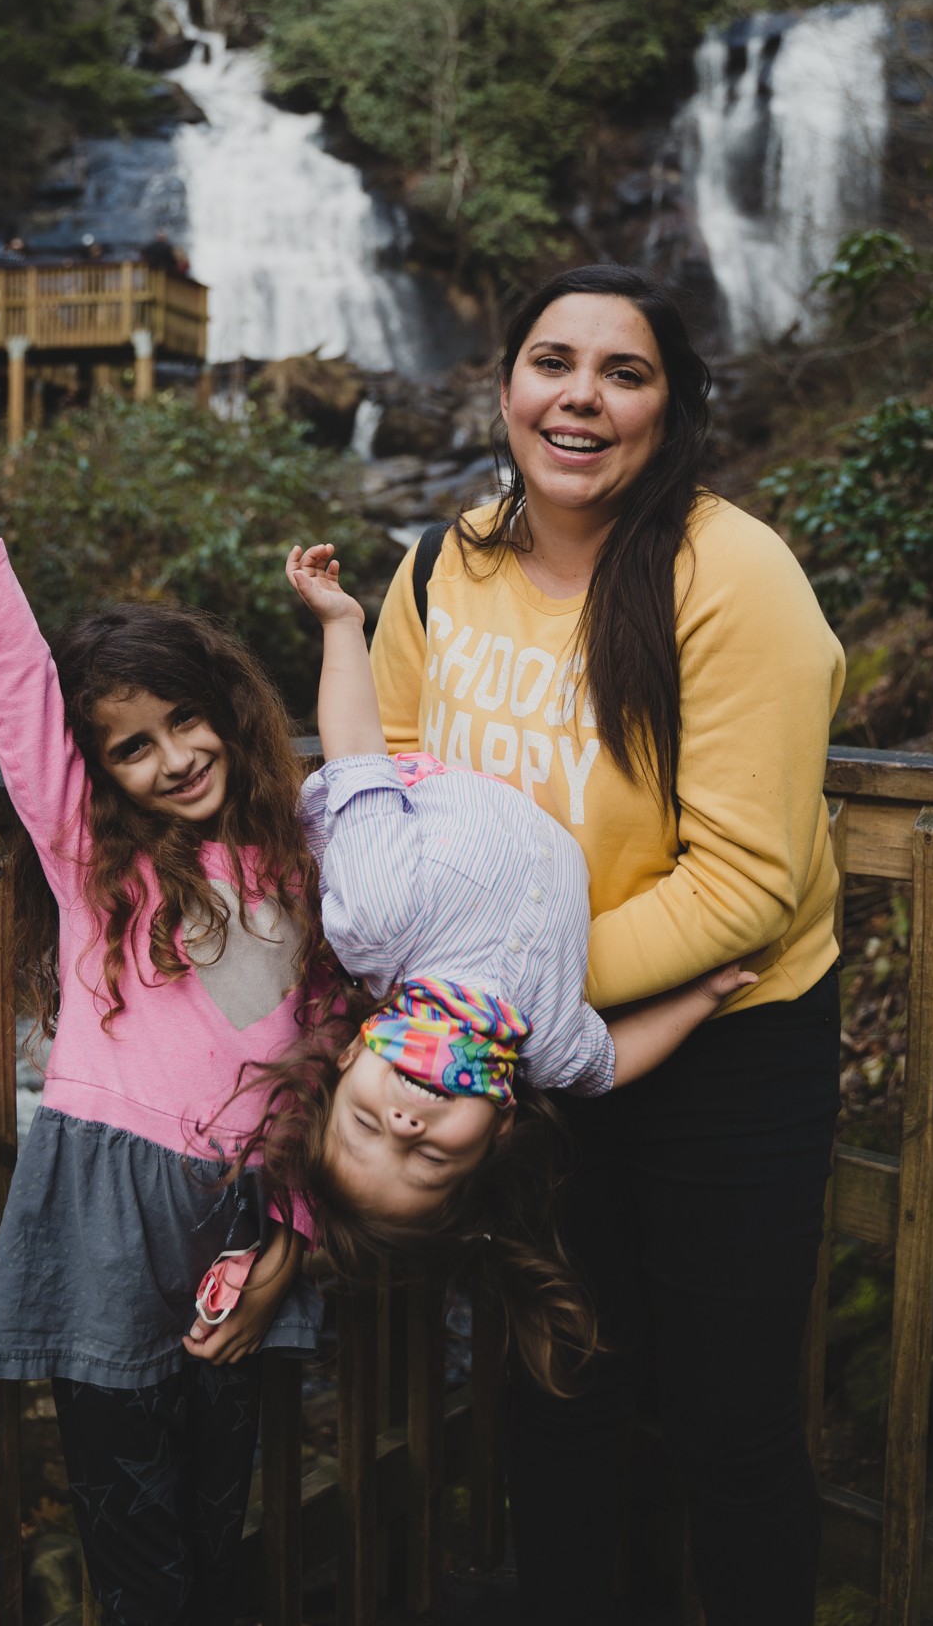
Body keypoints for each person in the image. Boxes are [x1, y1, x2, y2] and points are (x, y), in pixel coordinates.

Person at [0, 289, 328, 1626]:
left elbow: (328, 1066)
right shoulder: (93, 859)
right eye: (136, 747)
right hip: (107, 1205)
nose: (175, 758)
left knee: (226, 1506)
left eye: (187, 724)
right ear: (100, 773)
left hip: (250, 1209)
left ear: (227, 712)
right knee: (134, 1523)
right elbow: (8, 665)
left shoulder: (305, 864)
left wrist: (292, 1237)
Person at [367, 265, 845, 1626]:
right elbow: (394, 775)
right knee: (556, 1388)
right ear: (505, 386)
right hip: (525, 1056)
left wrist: (497, 996)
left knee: (729, 1421)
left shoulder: (732, 573)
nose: (579, 396)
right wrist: (484, 1001)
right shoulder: (440, 564)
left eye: (622, 373)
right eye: (550, 362)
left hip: (724, 1050)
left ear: (671, 405)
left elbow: (746, 881)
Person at [236, 542, 755, 1394]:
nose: (404, 1131)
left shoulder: (376, 921)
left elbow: (358, 752)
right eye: (430, 1162)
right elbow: (615, 1059)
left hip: (414, 796)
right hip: (537, 781)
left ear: (346, 1059)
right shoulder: (547, 1045)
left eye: (366, 1126)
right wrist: (702, 995)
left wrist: (341, 625)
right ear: (499, 1132)